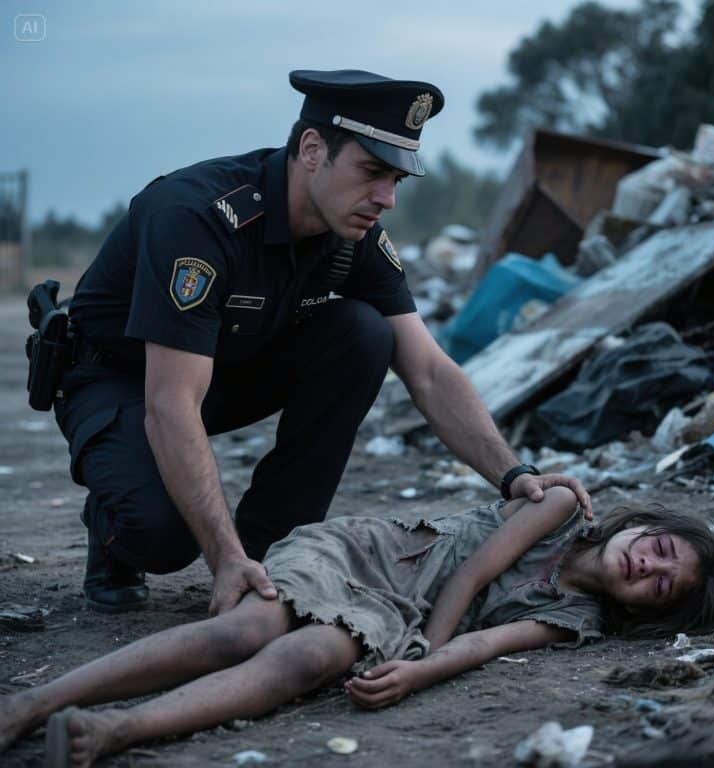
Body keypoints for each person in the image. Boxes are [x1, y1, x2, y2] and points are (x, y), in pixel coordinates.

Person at [50, 68, 592, 614]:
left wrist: (514, 474)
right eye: (371, 172)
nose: (387, 199)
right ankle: (114, 530)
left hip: (219, 372)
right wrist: (222, 558)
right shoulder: (197, 218)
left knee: (363, 333)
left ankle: (273, 551)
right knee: (164, 540)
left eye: (396, 181)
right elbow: (169, 403)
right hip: (120, 381)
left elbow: (428, 369)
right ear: (312, 149)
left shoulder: (351, 233)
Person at [0, 488, 714, 767]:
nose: (646, 569)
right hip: (378, 555)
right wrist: (425, 646)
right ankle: (31, 706)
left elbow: (491, 640)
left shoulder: (576, 618)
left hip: (395, 621)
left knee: (307, 660)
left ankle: (113, 732)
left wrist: (419, 669)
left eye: (661, 587)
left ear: (647, 609)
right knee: (241, 634)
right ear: (644, 524)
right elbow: (473, 576)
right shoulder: (562, 509)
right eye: (657, 550)